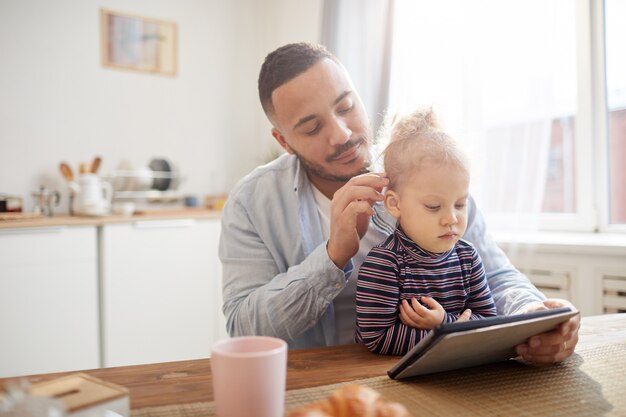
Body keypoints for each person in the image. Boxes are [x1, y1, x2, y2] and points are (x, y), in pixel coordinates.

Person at [218, 42, 579, 363]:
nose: (342, 134)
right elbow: (245, 327)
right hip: (313, 386)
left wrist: (534, 313)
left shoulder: (423, 169)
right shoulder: (251, 203)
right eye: (312, 128)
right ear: (284, 141)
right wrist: (331, 258)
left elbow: (495, 276)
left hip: (437, 377)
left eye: (346, 107)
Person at [356, 108, 497, 355]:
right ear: (395, 204)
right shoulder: (385, 263)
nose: (451, 218)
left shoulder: (467, 257)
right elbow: (376, 338)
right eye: (434, 206)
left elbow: (487, 319)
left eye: (460, 204)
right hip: (388, 376)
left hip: (449, 368)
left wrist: (444, 323)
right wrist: (444, 334)